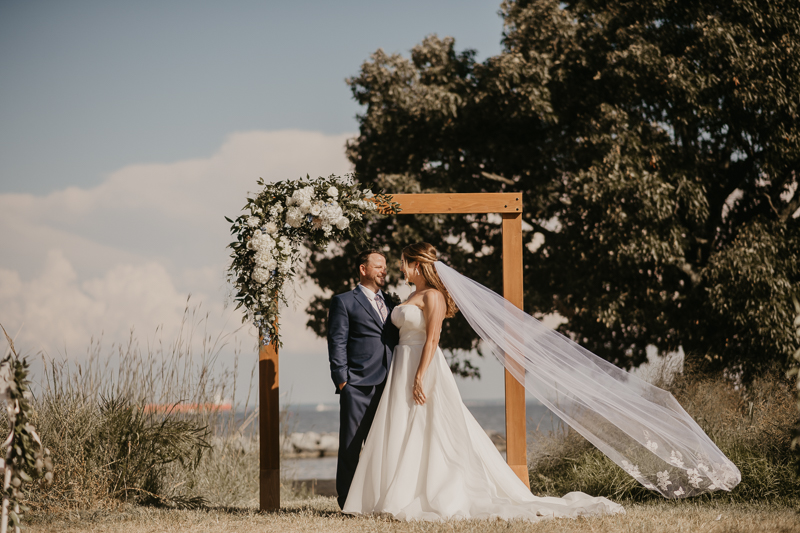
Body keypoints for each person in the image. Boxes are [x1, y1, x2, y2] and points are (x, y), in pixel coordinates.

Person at [342, 242, 739, 521]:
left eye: (404, 263)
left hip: (421, 368)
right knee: (399, 429)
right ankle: (386, 493)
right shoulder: (407, 296)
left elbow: (432, 339)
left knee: (432, 432)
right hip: (400, 371)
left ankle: (429, 491)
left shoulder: (433, 298)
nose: (399, 268)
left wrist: (420, 376)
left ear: (418, 264)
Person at [327, 249, 399, 509]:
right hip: (356, 385)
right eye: (378, 266)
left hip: (390, 384)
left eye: (385, 266)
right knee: (351, 445)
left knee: (383, 446)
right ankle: (347, 502)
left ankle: (378, 499)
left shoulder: (392, 302)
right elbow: (337, 342)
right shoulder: (344, 301)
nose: (384, 270)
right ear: (363, 269)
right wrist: (342, 381)